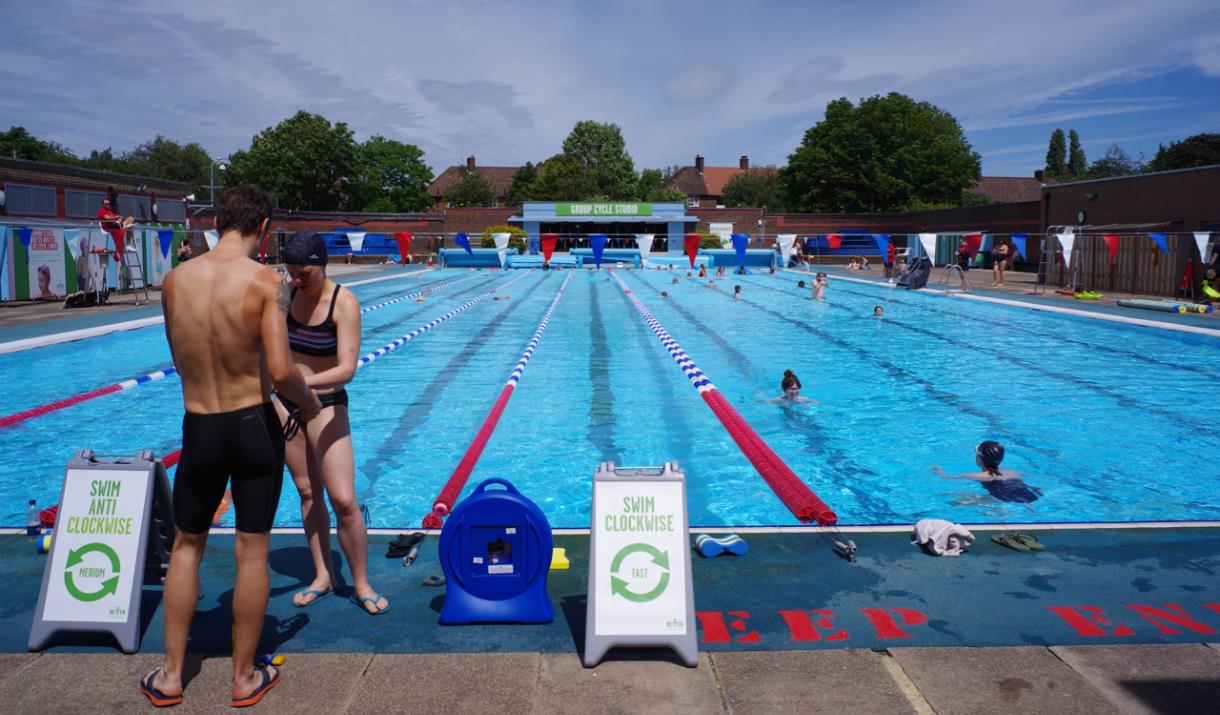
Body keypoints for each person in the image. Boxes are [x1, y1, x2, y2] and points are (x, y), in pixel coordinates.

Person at [144, 186, 321, 709]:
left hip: (199, 425)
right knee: (251, 552)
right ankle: (244, 678)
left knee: (185, 546)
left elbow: (181, 359)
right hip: (251, 424)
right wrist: (307, 404)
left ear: (218, 221)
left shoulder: (175, 281)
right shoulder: (267, 281)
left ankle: (172, 675)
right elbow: (283, 370)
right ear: (263, 227)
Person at [275, 233, 389, 617]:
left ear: (321, 265)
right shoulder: (284, 295)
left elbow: (346, 369)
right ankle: (323, 575)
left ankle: (361, 582)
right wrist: (279, 393)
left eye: (303, 273)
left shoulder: (344, 302)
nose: (296, 280)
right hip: (286, 406)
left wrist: (297, 384)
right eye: (291, 273)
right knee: (308, 493)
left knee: (343, 499)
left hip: (326, 404)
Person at [933, 440, 1041, 505]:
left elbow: (946, 477)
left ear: (979, 459)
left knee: (953, 502)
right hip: (1028, 495)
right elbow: (1030, 480)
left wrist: (939, 472)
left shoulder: (974, 476)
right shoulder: (1011, 472)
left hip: (1000, 499)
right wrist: (1035, 488)